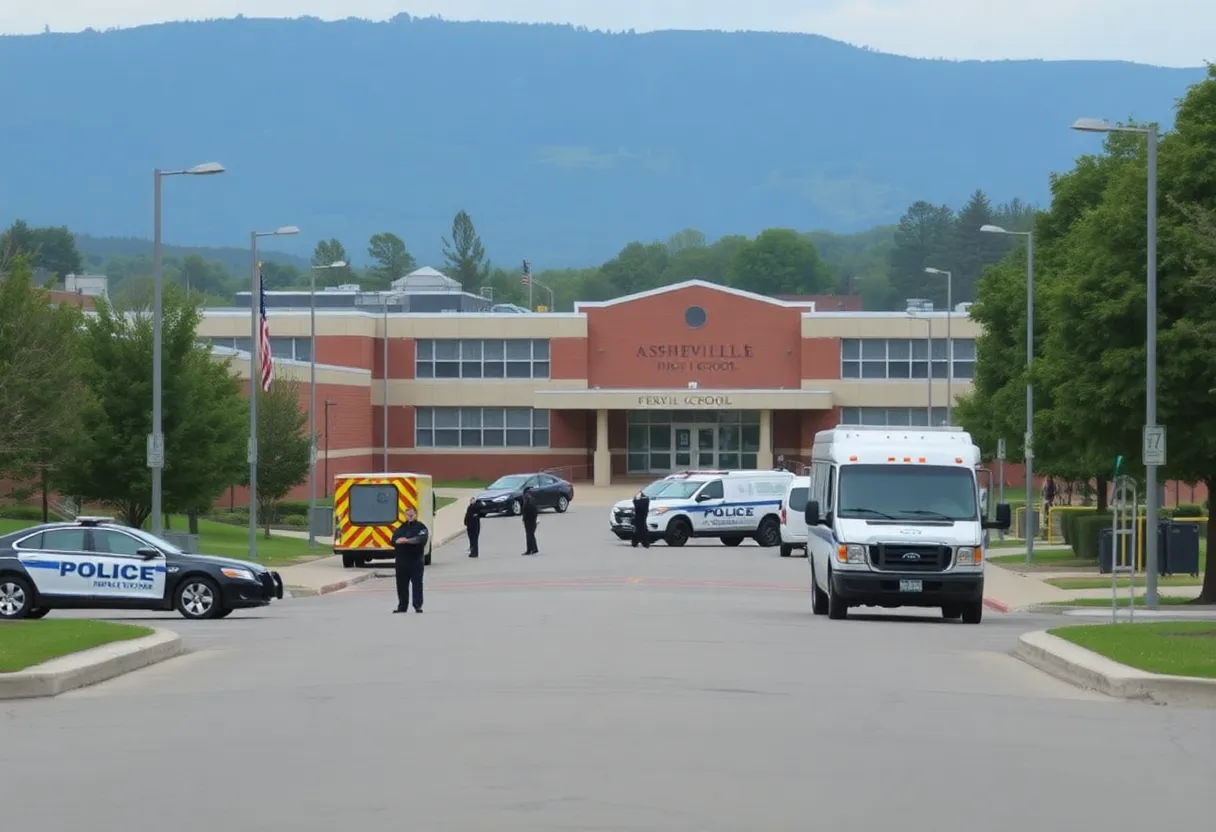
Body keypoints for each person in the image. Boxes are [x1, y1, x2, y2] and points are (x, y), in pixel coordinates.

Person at [391, 506, 429, 613]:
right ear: (405, 516)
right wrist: (399, 541)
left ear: (416, 514)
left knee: (417, 584)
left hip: (415, 561)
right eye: (408, 514)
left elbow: (421, 539)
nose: (410, 516)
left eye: (412, 514)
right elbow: (394, 540)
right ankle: (402, 606)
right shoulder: (401, 528)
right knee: (401, 585)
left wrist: (407, 541)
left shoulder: (421, 527)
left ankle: (418, 605)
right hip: (401, 562)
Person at [521, 487, 539, 555]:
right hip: (533, 519)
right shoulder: (532, 499)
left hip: (529, 520)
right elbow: (535, 511)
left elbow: (525, 511)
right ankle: (534, 548)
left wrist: (524, 519)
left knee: (529, 535)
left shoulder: (527, 500)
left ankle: (529, 549)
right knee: (531, 534)